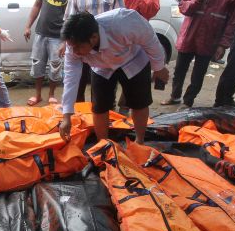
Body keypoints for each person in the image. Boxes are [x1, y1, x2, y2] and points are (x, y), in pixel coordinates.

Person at [59, 10, 169, 144]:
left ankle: (139, 141)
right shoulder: (74, 45)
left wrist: (159, 67)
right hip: (101, 67)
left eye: (78, 47)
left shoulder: (123, 22)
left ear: (93, 38)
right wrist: (66, 117)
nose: (74, 51)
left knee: (139, 103)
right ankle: (103, 144)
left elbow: (150, 39)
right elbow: (70, 79)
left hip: (133, 59)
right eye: (72, 47)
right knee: (99, 107)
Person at [161, 0, 235, 109]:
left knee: (198, 76)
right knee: (179, 71)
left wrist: (222, 45)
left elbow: (232, 21)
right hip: (189, 36)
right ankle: (175, 96)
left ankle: (188, 102)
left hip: (209, 40)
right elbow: (184, 8)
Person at [63, 0, 124, 105]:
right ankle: (81, 122)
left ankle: (105, 122)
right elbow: (69, 19)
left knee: (103, 93)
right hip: (83, 49)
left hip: (105, 49)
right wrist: (65, 43)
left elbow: (120, 17)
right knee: (78, 90)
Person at [22, 0, 77, 106]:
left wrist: (66, 40)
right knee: (38, 65)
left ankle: (52, 94)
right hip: (41, 33)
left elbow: (73, 17)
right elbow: (37, 5)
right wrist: (28, 26)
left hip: (58, 37)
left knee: (55, 66)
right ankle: (37, 94)